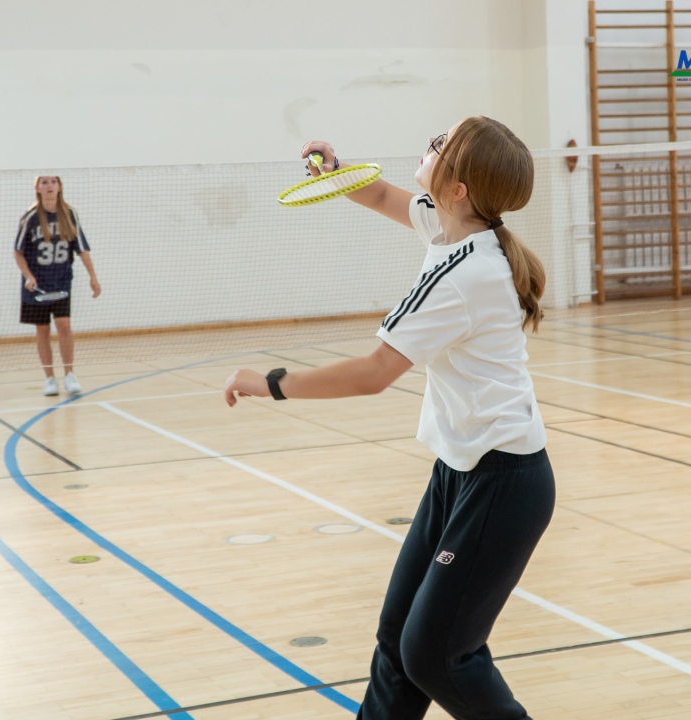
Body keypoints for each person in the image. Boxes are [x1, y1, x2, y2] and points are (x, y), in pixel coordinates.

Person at [223, 116, 555, 720]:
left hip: (503, 483)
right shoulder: (455, 227)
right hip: (459, 472)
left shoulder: (465, 275)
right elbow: (376, 193)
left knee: (437, 655)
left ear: (457, 189)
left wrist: (273, 384)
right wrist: (335, 169)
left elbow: (374, 372)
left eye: (439, 146)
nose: (428, 145)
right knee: (398, 641)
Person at [14, 175, 101, 396]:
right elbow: (18, 251)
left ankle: (70, 374)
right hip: (37, 286)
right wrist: (28, 276)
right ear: (37, 188)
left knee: (64, 326)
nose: (49, 186)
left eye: (53, 182)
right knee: (42, 330)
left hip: (61, 280)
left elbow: (81, 248)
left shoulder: (69, 214)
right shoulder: (30, 217)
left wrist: (93, 276)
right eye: (44, 182)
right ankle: (49, 379)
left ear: (60, 186)